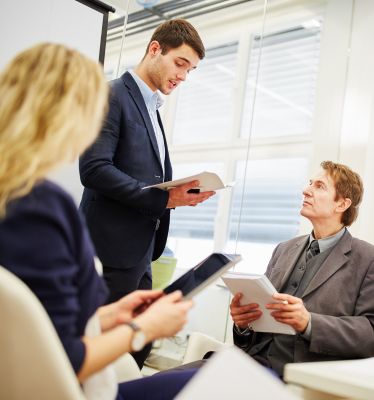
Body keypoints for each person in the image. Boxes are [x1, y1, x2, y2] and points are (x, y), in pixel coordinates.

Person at [0, 43, 197, 400]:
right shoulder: (38, 206)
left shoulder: (17, 198)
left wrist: (110, 315)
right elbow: (65, 358)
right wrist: (143, 327)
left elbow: (42, 327)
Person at [79, 18, 214, 322]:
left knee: (135, 349)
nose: (183, 76)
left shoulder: (151, 106)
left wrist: (177, 193)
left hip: (141, 252)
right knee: (104, 350)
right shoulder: (112, 95)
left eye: (189, 70)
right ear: (155, 49)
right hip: (108, 253)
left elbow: (144, 176)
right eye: (180, 64)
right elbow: (94, 169)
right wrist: (164, 199)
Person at [230, 161, 374, 377]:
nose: (306, 191)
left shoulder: (367, 258)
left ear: (342, 204)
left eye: (319, 186)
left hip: (299, 376)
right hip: (248, 364)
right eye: (309, 184)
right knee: (166, 383)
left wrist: (309, 323)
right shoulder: (284, 249)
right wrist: (243, 323)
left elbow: (369, 334)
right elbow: (258, 325)